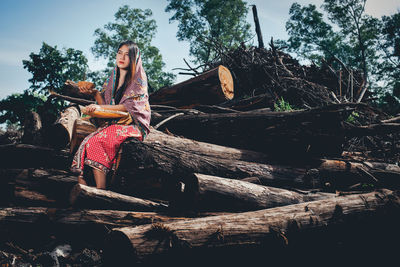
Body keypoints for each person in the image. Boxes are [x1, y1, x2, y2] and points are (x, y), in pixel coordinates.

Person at [71, 40, 151, 189]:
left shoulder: (139, 79)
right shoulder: (113, 77)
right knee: (87, 142)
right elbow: (105, 106)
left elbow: (127, 108)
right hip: (115, 123)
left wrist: (97, 109)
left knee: (97, 140)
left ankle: (101, 189)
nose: (122, 57)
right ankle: (84, 183)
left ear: (134, 58)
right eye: (120, 52)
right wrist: (95, 94)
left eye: (127, 54)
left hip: (134, 125)